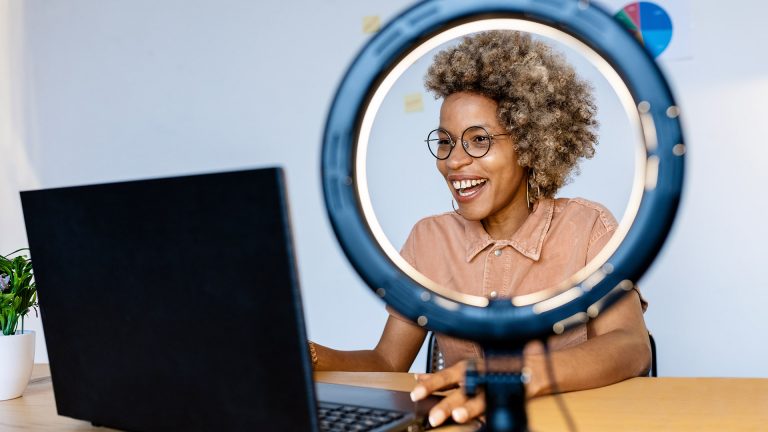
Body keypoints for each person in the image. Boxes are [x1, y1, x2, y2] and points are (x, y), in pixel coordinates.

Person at [311, 31, 650, 427]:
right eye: (445, 142)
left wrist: (519, 378)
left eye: (478, 140)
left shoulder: (588, 227)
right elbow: (387, 361)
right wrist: (311, 354)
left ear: (529, 144)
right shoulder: (428, 239)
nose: (454, 161)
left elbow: (630, 346)